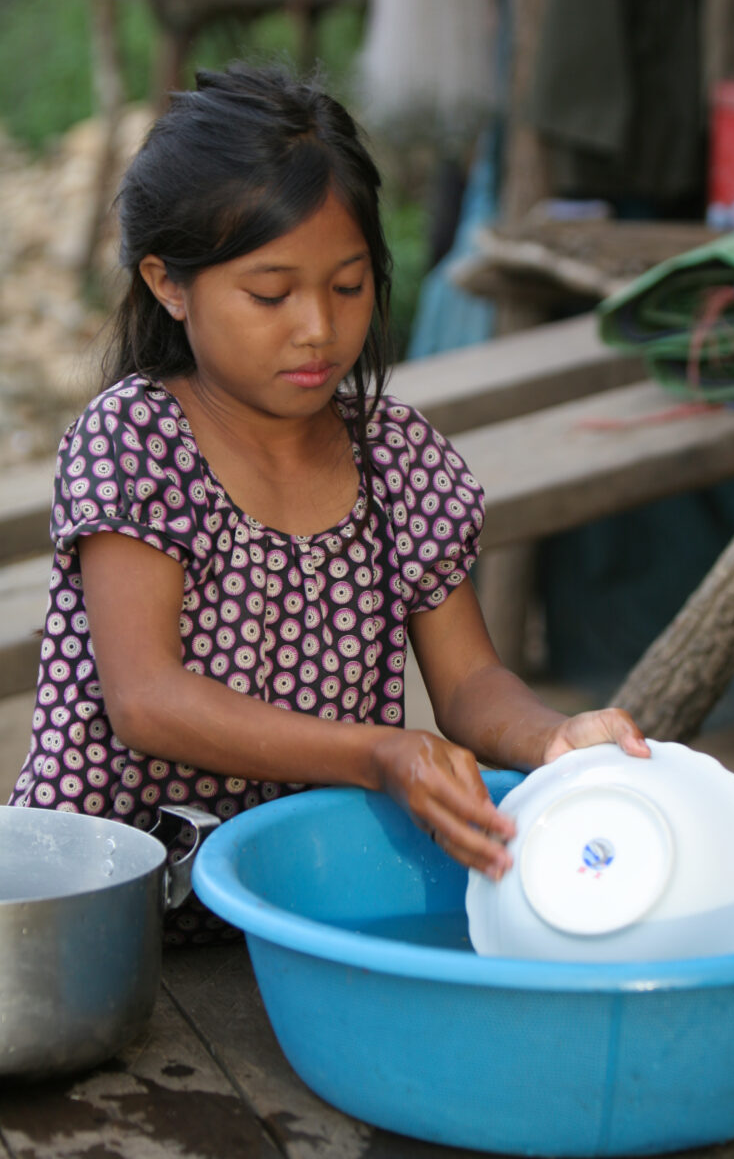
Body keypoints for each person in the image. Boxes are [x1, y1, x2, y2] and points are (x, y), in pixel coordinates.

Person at [10, 64, 649, 943]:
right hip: (108, 912)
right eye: (271, 294)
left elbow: (468, 683)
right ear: (168, 283)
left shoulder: (395, 455)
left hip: (301, 902)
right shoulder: (136, 439)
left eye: (348, 286)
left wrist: (551, 738)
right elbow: (146, 698)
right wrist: (375, 751)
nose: (317, 326)